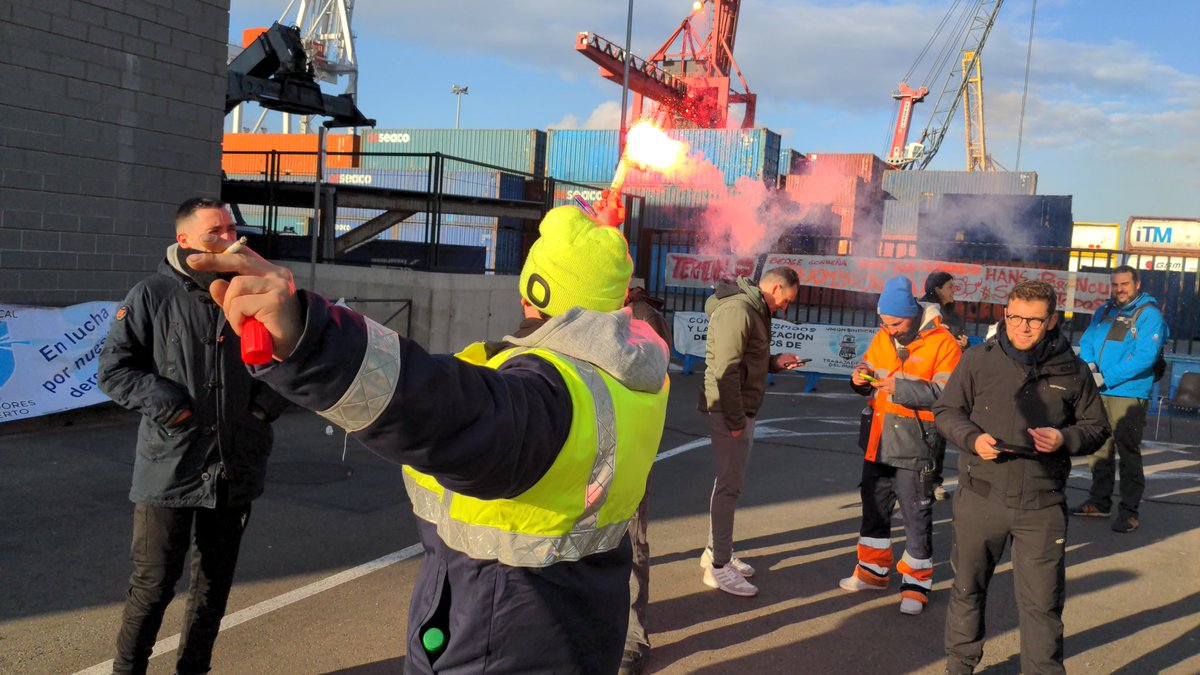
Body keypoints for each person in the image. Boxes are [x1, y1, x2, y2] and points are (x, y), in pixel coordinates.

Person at [189, 204, 670, 674]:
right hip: (584, 629)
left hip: (496, 638)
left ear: (533, 288)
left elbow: (443, 409)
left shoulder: (545, 393)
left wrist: (310, 341)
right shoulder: (631, 372)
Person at [98, 197, 287, 675]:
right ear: (184, 242)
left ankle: (194, 669)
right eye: (215, 233)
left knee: (213, 585)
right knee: (154, 584)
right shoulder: (151, 295)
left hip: (235, 462)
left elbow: (281, 362)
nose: (230, 239)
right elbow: (115, 371)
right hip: (170, 464)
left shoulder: (253, 289)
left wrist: (263, 409)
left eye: (230, 228)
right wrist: (169, 405)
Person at [934, 279, 1110, 675]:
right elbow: (946, 412)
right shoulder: (979, 360)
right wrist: (972, 438)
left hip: (1042, 505)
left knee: (1043, 604)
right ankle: (959, 666)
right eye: (1014, 318)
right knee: (967, 590)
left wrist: (1065, 438)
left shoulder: (1074, 369)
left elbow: (1097, 428)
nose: (1022, 327)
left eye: (1033, 320)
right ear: (1005, 315)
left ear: (1051, 321)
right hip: (981, 496)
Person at [841, 276, 961, 616]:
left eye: (895, 322)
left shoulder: (944, 343)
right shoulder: (883, 337)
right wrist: (860, 378)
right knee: (874, 510)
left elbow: (946, 395)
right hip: (877, 440)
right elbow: (870, 372)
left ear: (912, 315)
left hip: (916, 443)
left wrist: (900, 388)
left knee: (916, 516)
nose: (889, 328)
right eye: (884, 322)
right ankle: (872, 572)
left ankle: (916, 585)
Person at [696, 266, 804, 597]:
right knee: (729, 487)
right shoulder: (739, 310)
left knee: (729, 484)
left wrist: (774, 362)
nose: (785, 307)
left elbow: (745, 360)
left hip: (738, 408)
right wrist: (734, 420)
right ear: (773, 287)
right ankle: (718, 568)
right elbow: (725, 371)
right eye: (786, 299)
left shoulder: (751, 310)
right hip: (731, 409)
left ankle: (717, 553)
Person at [1073, 265, 1168, 533]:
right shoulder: (1105, 311)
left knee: (1127, 453)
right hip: (1099, 390)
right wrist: (1090, 367)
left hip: (1128, 393)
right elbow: (1088, 340)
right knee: (1099, 449)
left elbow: (1145, 357)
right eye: (1115, 285)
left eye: (1124, 284)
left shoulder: (1149, 315)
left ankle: (1129, 511)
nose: (1119, 289)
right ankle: (1099, 502)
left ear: (1137, 284)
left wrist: (1107, 377)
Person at [620, 284, 672, 675]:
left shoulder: (642, 317)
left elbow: (653, 381)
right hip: (580, 443)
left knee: (632, 541)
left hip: (629, 449)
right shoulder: (577, 306)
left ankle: (632, 638)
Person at [919, 270, 968, 501]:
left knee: (939, 431)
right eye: (950, 286)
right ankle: (922, 480)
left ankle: (933, 480)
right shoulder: (924, 311)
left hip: (947, 378)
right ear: (937, 289)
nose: (954, 290)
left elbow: (955, 338)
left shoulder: (950, 312)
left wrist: (961, 343)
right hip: (927, 379)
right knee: (926, 432)